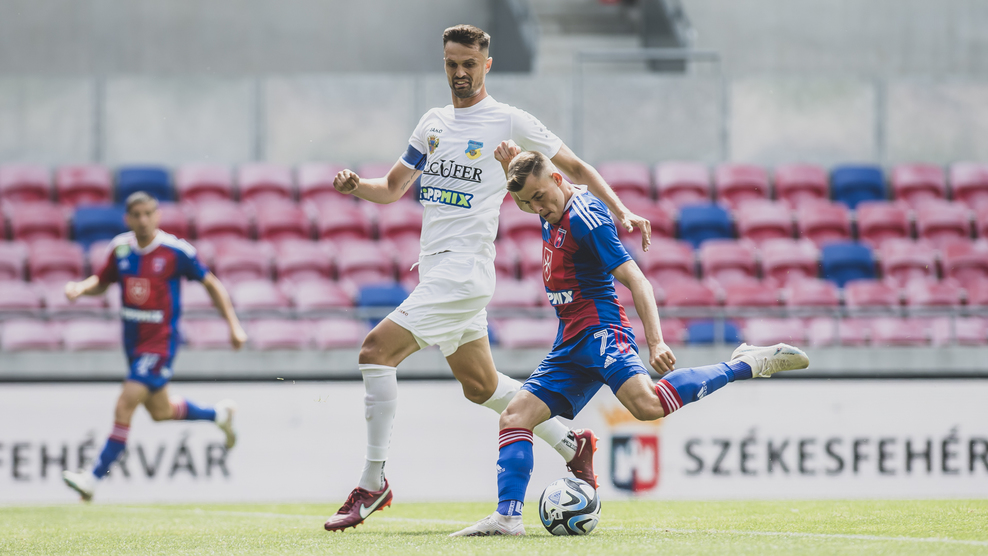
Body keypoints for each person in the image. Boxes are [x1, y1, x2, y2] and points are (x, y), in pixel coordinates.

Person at [323, 24, 652, 531]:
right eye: (452, 64)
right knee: (480, 386)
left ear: (487, 65)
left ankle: (372, 483)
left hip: (464, 270)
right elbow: (391, 188)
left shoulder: (509, 120)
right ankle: (572, 443)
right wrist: (355, 186)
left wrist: (622, 209)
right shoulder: (432, 124)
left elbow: (576, 167)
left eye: (469, 65)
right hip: (437, 269)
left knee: (374, 351)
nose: (460, 73)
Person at [450, 147, 810, 536]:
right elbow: (552, 178)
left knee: (648, 405)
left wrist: (655, 342)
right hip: (570, 339)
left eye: (538, 197)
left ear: (556, 179)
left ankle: (747, 363)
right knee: (515, 417)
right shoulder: (548, 199)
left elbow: (638, 280)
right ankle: (507, 518)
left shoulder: (586, 218)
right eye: (525, 202)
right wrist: (513, 169)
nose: (535, 207)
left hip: (601, 331)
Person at [61, 191, 248, 501]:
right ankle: (219, 415)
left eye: (148, 214)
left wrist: (234, 326)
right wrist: (80, 288)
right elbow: (102, 282)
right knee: (161, 411)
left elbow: (212, 284)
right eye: (137, 215)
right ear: (128, 218)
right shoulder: (120, 248)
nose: (143, 220)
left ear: (157, 215)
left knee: (125, 403)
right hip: (133, 345)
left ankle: (92, 479)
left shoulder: (176, 251)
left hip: (160, 343)